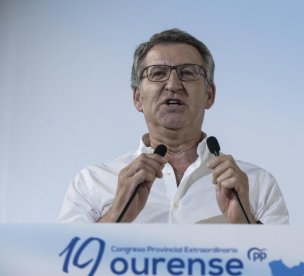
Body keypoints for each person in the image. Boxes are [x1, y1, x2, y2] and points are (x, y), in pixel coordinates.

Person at [58, 28, 289, 224]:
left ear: (209, 95)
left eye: (188, 73)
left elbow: (288, 266)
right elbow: (60, 266)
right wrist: (116, 214)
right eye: (158, 73)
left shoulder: (257, 185)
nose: (173, 84)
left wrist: (245, 226)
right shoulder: (92, 183)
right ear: (138, 98)